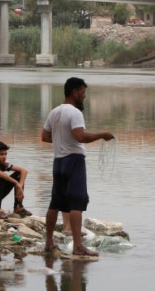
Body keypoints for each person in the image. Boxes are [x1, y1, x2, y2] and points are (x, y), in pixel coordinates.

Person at [42, 77, 115, 257]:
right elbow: (80, 137)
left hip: (58, 162)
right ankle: (78, 246)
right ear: (74, 92)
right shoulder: (75, 113)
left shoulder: (54, 112)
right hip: (73, 161)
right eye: (82, 93)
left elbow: (45, 136)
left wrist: (62, 140)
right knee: (77, 202)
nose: (84, 97)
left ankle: (49, 242)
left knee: (55, 202)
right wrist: (102, 135)